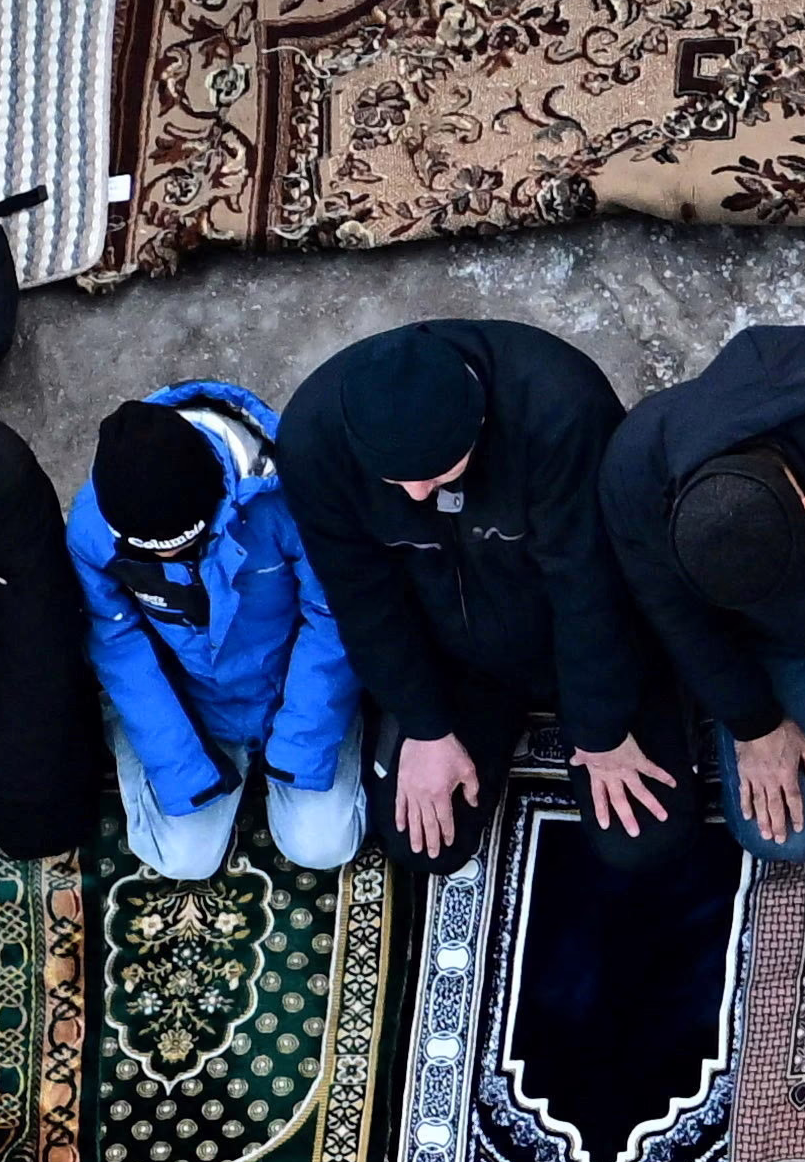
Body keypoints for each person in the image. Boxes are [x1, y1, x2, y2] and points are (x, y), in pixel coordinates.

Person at [271, 322, 686, 868]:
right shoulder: (312, 441)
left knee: (643, 843)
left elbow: (591, 584)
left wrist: (602, 729)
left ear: (480, 422)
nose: (418, 495)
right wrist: (425, 726)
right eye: (397, 482)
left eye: (439, 473)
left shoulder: (560, 406)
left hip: (580, 639)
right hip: (457, 662)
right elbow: (362, 599)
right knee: (422, 847)